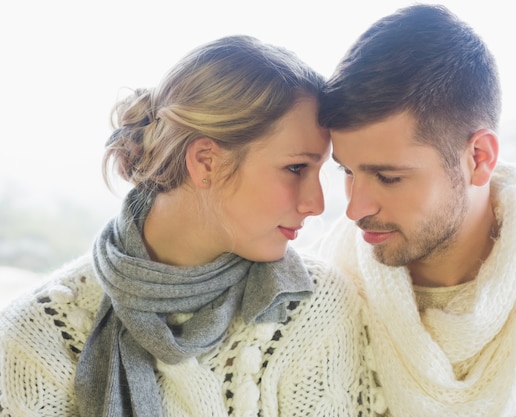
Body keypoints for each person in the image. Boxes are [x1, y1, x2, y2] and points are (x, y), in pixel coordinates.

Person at [0, 35, 377, 416]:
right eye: (296, 167)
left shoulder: (315, 309)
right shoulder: (38, 334)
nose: (316, 204)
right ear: (205, 162)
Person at [313, 4, 516, 416]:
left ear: (479, 157)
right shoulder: (322, 305)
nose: (355, 209)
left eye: (389, 177)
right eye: (348, 171)